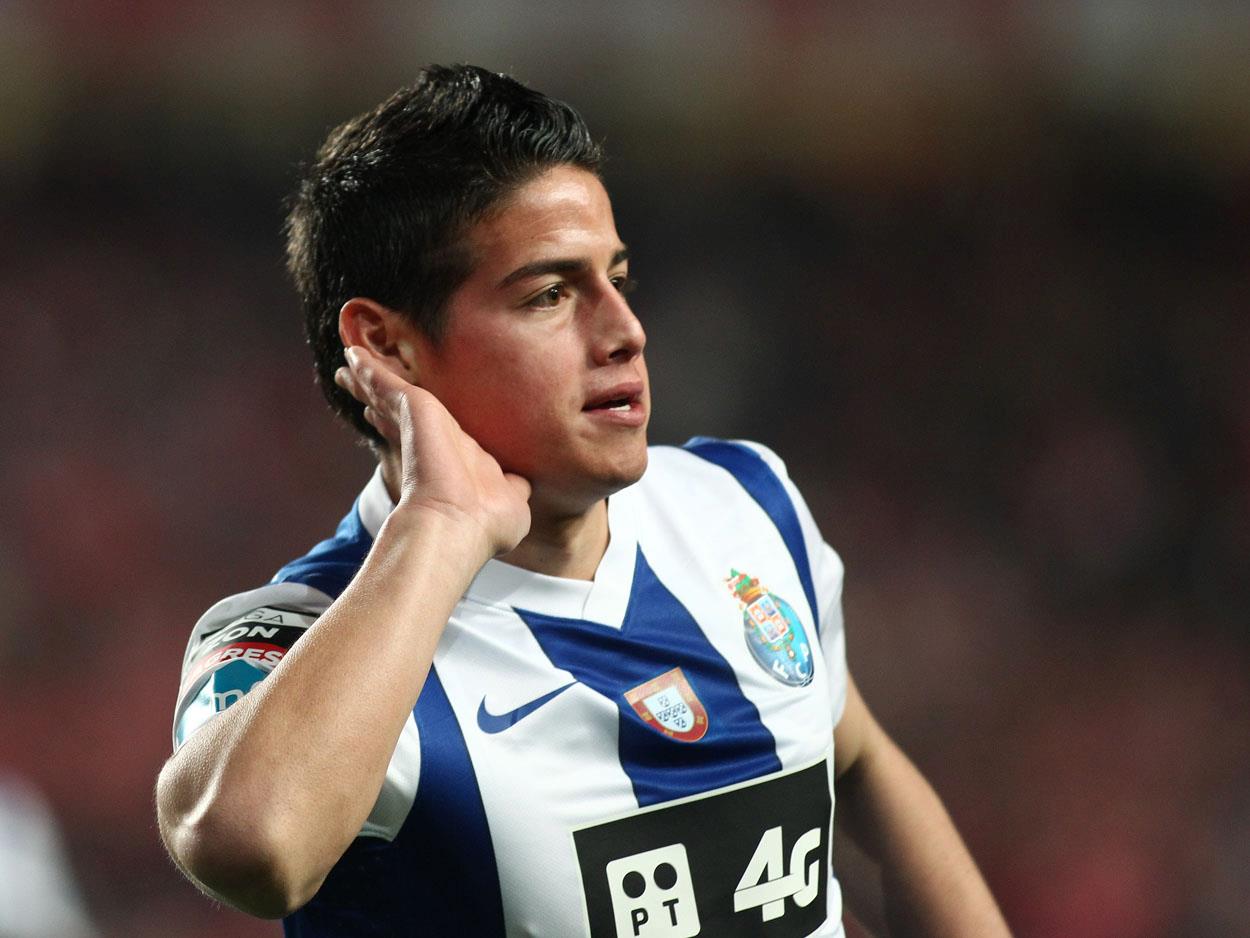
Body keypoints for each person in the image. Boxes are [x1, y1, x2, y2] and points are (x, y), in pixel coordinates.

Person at [155, 64, 1010, 937]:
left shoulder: (739, 504)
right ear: (388, 346)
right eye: (551, 295)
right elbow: (251, 847)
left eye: (618, 281)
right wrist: (442, 523)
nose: (624, 331)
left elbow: (853, 760)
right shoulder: (300, 637)